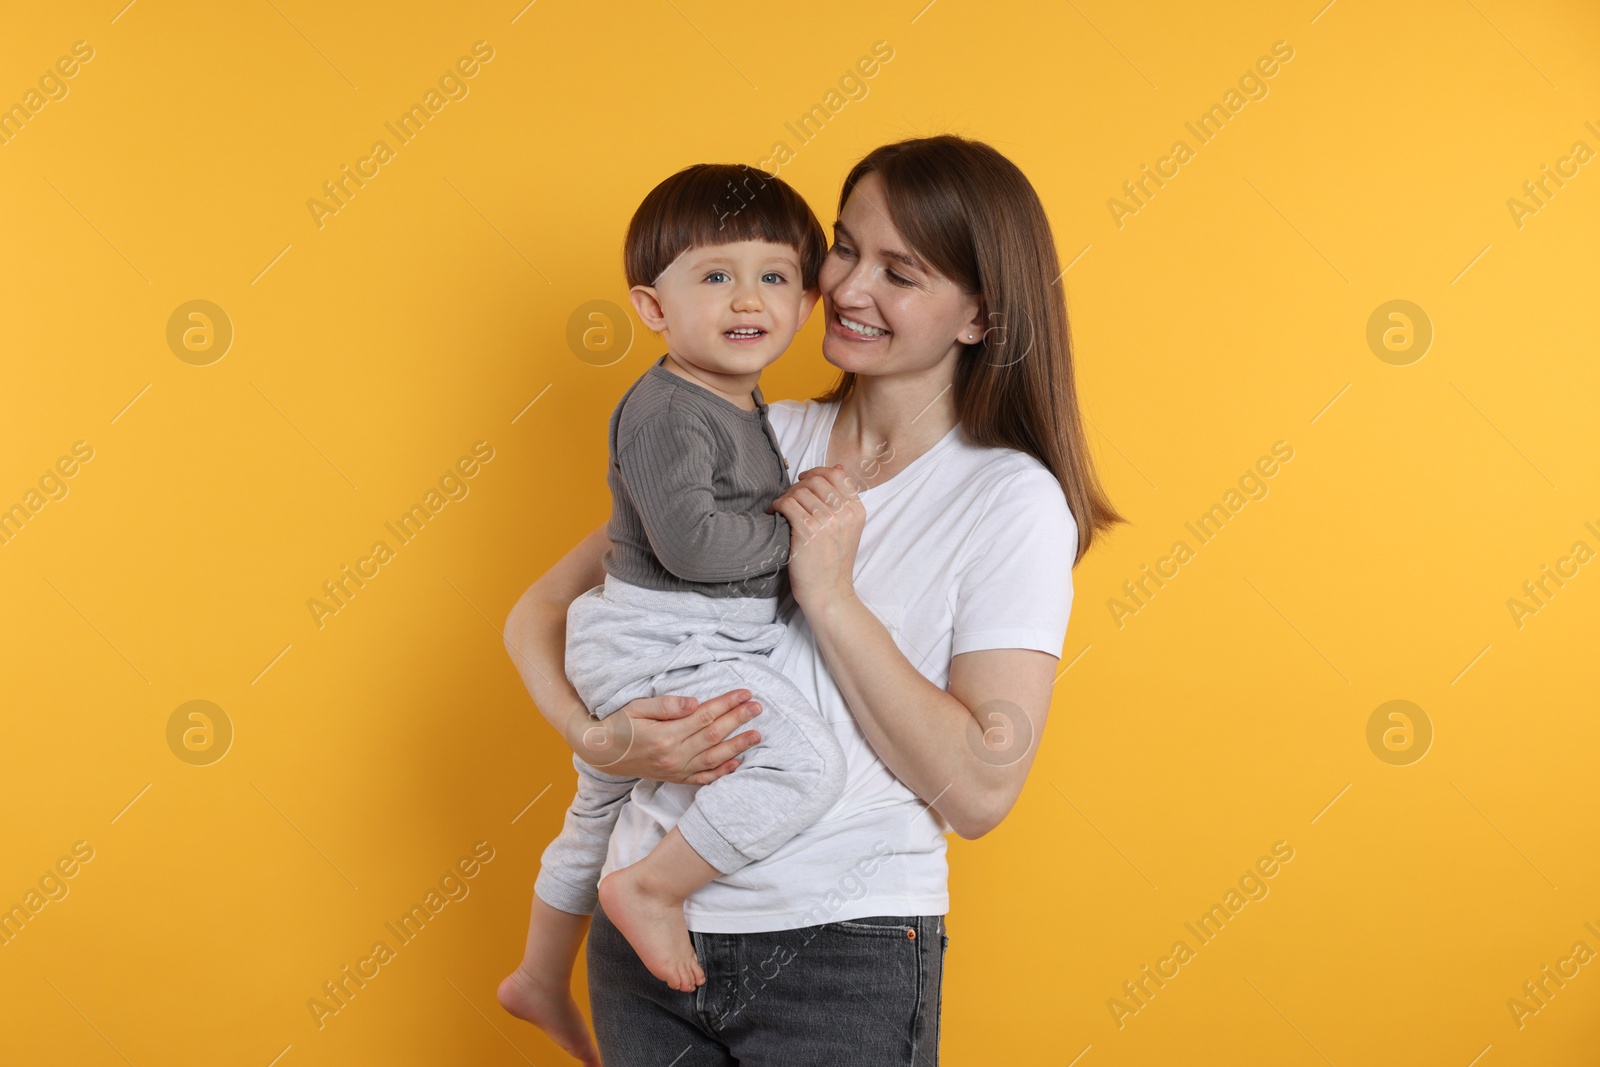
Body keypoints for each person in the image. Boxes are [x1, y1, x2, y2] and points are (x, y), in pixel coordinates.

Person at [500, 134, 1125, 1066]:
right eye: (844, 247)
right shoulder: (750, 427)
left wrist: (828, 593)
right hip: (638, 935)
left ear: (979, 318)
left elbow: (983, 787)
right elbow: (538, 613)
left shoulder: (1008, 498)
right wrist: (598, 737)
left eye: (899, 272)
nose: (847, 286)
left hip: (841, 950)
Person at [514, 161, 850, 1026]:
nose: (748, 301)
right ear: (654, 309)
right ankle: (654, 889)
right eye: (716, 277)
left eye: (773, 277)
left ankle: (539, 977)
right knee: (804, 763)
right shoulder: (669, 409)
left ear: (806, 302)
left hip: (669, 635)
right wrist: (797, 536)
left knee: (597, 809)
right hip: (665, 638)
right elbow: (695, 545)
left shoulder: (738, 403)